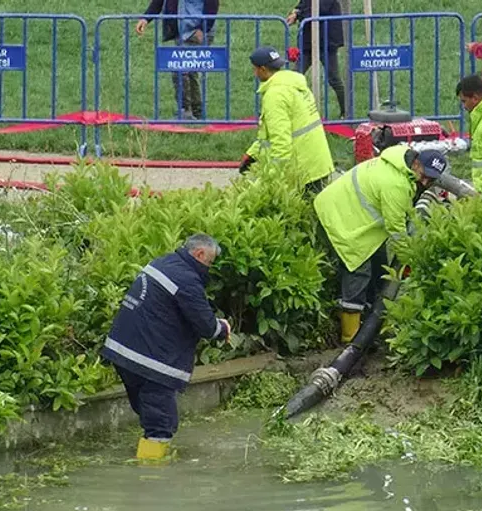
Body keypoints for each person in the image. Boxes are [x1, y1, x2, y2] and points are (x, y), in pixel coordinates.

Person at [101, 234, 232, 460]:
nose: (208, 268)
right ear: (200, 254)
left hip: (123, 354)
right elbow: (206, 326)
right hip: (151, 362)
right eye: (209, 262)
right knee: (161, 424)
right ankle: (151, 480)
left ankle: (148, 459)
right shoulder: (187, 279)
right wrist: (223, 328)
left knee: (150, 416)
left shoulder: (161, 263)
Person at [314, 146, 448, 343]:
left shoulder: (400, 162)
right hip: (340, 219)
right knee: (359, 271)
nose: (425, 182)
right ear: (416, 163)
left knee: (381, 268)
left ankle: (372, 326)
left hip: (350, 214)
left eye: (431, 179)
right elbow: (396, 230)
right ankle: (350, 340)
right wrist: (412, 258)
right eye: (424, 175)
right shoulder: (396, 185)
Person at [240, 46, 335, 196]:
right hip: (318, 162)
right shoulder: (295, 85)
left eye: (255, 69)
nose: (254, 73)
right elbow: (270, 134)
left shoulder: (275, 95)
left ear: (263, 69)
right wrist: (252, 153)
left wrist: (273, 178)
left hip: (302, 169)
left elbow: (281, 141)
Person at [136, 0, 219, 120]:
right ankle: (196, 112)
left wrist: (203, 28)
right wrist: (146, 18)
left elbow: (212, 3)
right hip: (183, 31)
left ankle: (186, 111)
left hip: (196, 31)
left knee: (180, 69)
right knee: (188, 71)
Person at [287, 0, 347, 119]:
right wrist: (295, 12)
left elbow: (317, 10)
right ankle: (289, 110)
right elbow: (304, 4)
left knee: (334, 79)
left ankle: (346, 113)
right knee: (294, 77)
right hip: (308, 42)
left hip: (327, 42)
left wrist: (298, 14)